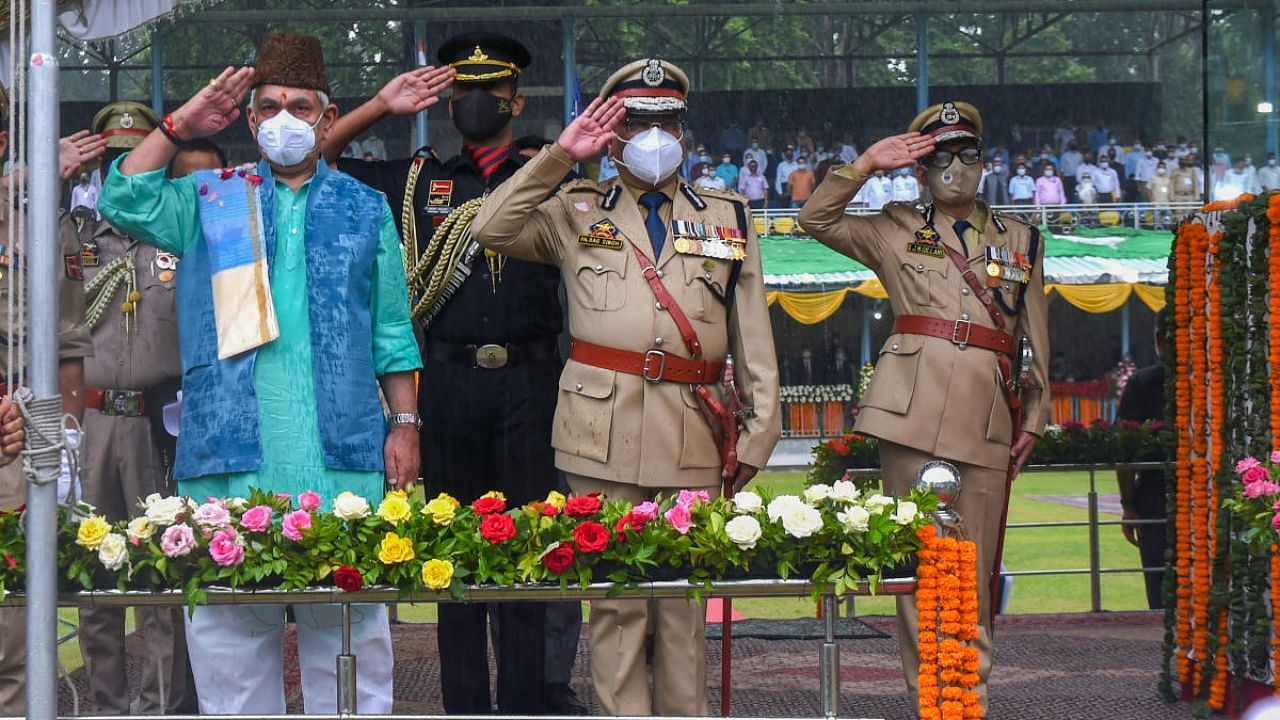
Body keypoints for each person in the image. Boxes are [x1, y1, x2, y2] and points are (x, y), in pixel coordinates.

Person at [98, 32, 420, 715]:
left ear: (327, 118)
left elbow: (392, 331)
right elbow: (122, 199)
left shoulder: (364, 208)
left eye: (299, 106)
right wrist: (181, 123)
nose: (283, 118)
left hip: (341, 466)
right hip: (229, 461)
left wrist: (407, 425)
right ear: (248, 119)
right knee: (233, 669)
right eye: (268, 105)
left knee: (354, 663)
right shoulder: (211, 197)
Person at [469, 58, 781, 716]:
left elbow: (751, 329)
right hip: (599, 428)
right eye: (636, 122)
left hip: (694, 422)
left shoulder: (727, 215)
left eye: (666, 122)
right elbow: (489, 228)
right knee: (614, 604)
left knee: (683, 604)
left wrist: (761, 430)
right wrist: (560, 155)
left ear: (685, 133)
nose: (653, 136)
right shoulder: (574, 209)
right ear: (609, 135)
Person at [320, 32, 583, 715]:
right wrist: (380, 105)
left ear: (514, 101)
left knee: (528, 547)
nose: (472, 103)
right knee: (453, 547)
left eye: (487, 93)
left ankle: (528, 699)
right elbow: (322, 157)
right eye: (462, 92)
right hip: (450, 386)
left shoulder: (553, 177)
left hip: (531, 383)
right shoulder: (419, 180)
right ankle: (464, 703)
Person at [798, 100, 1050, 715]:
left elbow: (1036, 339)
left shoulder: (1021, 239)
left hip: (988, 412)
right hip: (908, 409)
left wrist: (1036, 420)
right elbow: (815, 218)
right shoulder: (892, 225)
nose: (954, 168)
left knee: (976, 568)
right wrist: (864, 164)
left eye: (967, 155)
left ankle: (969, 701)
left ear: (985, 164)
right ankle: (926, 701)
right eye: (939, 157)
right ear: (919, 170)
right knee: (918, 567)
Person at [76, 102, 203, 717]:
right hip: (92, 424)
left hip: (160, 424)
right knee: (94, 576)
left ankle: (160, 707)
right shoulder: (74, 237)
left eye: (136, 151)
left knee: (160, 574)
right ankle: (105, 705)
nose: (122, 162)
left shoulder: (178, 228)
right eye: (112, 154)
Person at [0, 81, 100, 718]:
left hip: (16, 428)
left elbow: (67, 344)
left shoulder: (39, 226)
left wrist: (64, 438)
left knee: (13, 633)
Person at [1116, 310, 1169, 609]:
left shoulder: (1142, 383)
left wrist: (1128, 505)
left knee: (1159, 581)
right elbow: (1125, 446)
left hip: (1153, 494)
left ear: (1159, 340)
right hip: (1192, 490)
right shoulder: (1144, 382)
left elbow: (1124, 449)